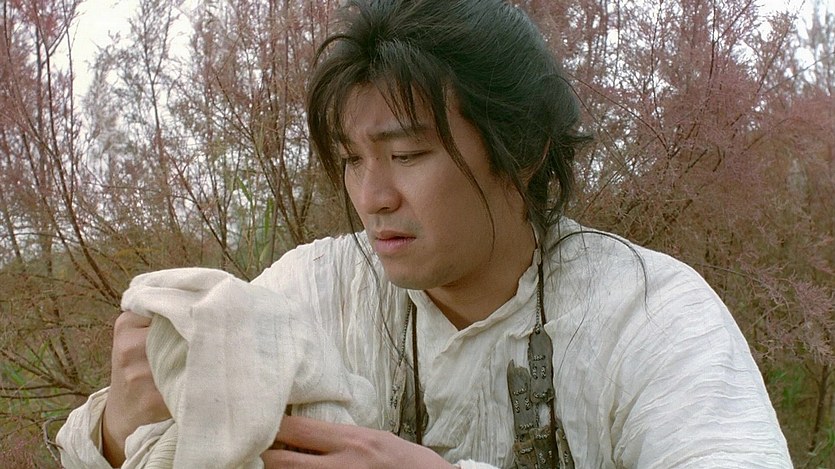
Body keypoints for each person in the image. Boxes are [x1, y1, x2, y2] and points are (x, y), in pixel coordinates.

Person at [57, 0, 792, 467]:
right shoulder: (313, 291)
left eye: (407, 154)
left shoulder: (649, 312)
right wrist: (123, 427)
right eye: (352, 160)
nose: (373, 197)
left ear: (523, 147)